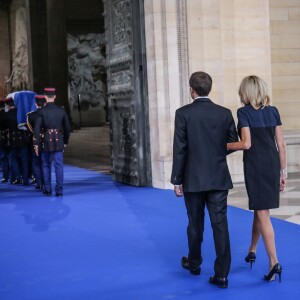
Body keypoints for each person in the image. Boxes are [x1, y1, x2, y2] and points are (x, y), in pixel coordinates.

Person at [171, 71, 238, 288]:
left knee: (195, 224)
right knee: (220, 225)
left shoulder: (183, 113)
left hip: (193, 178)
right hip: (218, 177)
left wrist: (176, 180)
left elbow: (180, 149)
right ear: (209, 89)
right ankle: (222, 275)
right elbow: (231, 143)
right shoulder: (225, 113)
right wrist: (215, 154)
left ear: (192, 90)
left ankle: (194, 263)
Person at [227, 75, 286, 283]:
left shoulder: (243, 112)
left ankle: (273, 262)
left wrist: (222, 145)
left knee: (263, 213)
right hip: (272, 165)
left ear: (246, 92)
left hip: (256, 166)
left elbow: (246, 143)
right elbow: (281, 143)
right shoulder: (273, 111)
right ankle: (252, 250)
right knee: (260, 209)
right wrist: (282, 172)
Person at [33, 88, 70, 196]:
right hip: (59, 140)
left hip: (46, 140)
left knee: (45, 164)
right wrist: (65, 141)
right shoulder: (61, 110)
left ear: (45, 96)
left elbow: (37, 129)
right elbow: (67, 128)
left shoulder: (42, 111)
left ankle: (48, 189)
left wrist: (36, 143)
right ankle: (59, 191)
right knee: (59, 165)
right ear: (54, 97)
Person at [27, 95, 46, 190]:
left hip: (35, 141)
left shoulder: (30, 115)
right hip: (47, 141)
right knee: (45, 163)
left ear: (35, 104)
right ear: (45, 103)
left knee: (36, 163)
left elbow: (30, 130)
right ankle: (46, 182)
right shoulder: (48, 113)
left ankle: (39, 183)